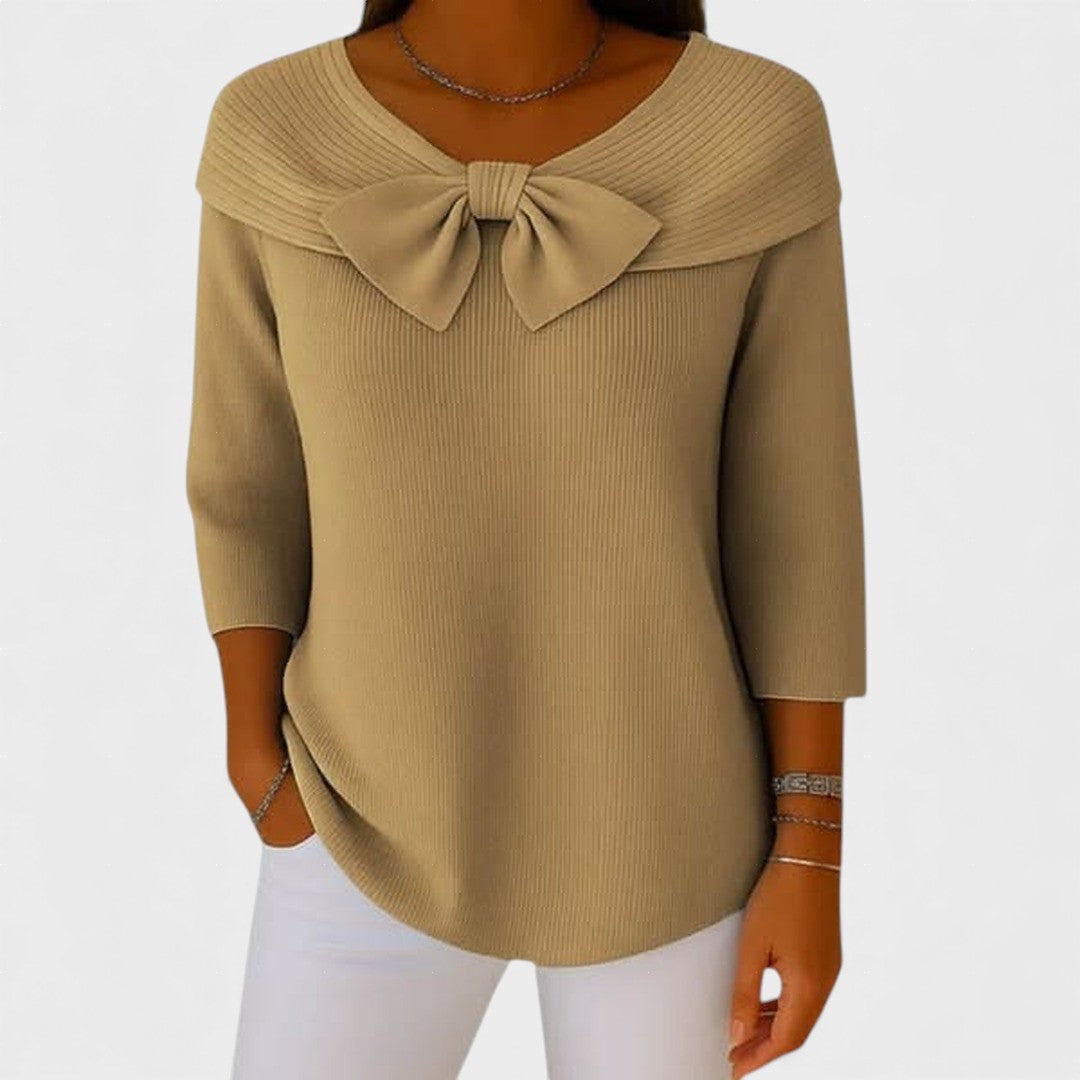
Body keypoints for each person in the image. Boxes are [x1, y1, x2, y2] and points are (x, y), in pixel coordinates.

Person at [184, 1, 867, 1077]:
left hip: (670, 828)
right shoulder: (276, 128)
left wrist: (811, 847)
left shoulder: (751, 129)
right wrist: (259, 767)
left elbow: (799, 518)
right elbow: (245, 477)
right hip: (355, 816)